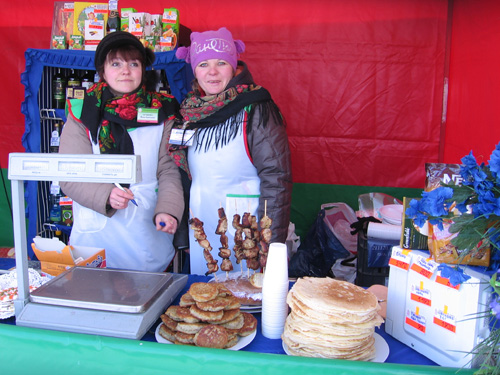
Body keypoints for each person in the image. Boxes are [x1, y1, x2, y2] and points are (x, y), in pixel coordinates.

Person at [59, 31, 184, 272]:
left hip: (146, 227)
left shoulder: (165, 108)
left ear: (143, 70)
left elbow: (169, 169)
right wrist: (106, 195)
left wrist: (168, 210)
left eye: (133, 63)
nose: (125, 71)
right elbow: (70, 173)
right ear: (103, 71)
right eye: (116, 63)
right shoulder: (82, 110)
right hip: (98, 230)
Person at [174, 27, 292, 276]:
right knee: (206, 302)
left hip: (246, 230)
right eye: (203, 64)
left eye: (221, 63)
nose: (212, 71)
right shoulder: (189, 111)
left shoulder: (256, 107)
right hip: (203, 225)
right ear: (194, 70)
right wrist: (185, 233)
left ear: (234, 65)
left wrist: (269, 243)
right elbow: (182, 178)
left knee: (245, 302)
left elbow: (277, 179)